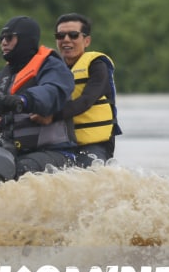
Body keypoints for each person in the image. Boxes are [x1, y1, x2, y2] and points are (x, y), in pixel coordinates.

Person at [0, 15, 77, 177]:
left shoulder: (53, 67)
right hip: (13, 151)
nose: (3, 42)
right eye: (1, 38)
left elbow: (52, 92)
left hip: (56, 154)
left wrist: (24, 99)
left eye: (9, 38)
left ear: (25, 40)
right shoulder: (1, 78)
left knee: (14, 172)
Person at [29, 12, 121, 167]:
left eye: (73, 35)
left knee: (85, 175)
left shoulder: (97, 65)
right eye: (60, 35)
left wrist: (53, 116)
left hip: (93, 143)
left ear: (86, 41)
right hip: (57, 143)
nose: (66, 40)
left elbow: (86, 100)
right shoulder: (48, 69)